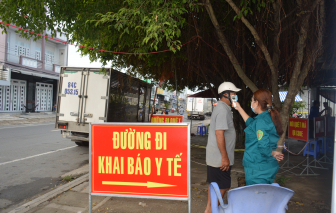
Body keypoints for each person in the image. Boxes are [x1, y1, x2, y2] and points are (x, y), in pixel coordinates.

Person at [233, 89, 284, 185]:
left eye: (252, 100)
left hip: (258, 168)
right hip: (266, 166)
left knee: (257, 197)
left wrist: (272, 153)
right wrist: (239, 108)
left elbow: (263, 147)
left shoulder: (261, 121)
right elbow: (251, 124)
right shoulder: (267, 117)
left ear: (257, 103)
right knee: (263, 195)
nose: (251, 103)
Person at [205, 82, 241, 213]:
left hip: (216, 157)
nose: (236, 95)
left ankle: (209, 209)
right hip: (220, 158)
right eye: (234, 93)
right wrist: (225, 158)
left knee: (214, 184)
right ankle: (211, 209)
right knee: (224, 185)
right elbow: (219, 134)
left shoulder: (223, 108)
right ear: (226, 94)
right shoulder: (222, 109)